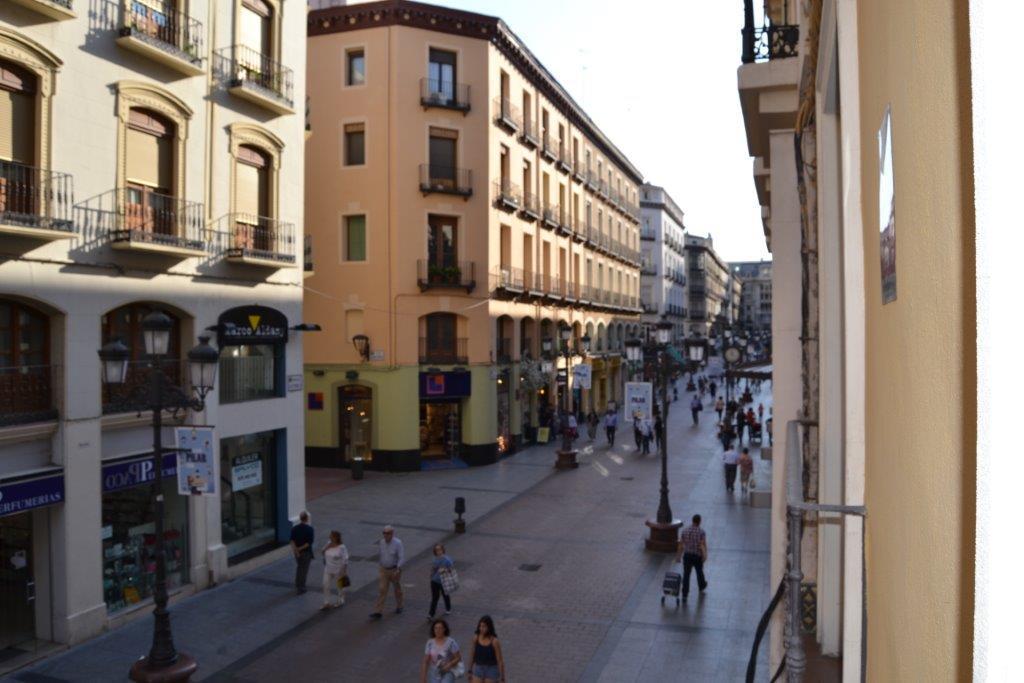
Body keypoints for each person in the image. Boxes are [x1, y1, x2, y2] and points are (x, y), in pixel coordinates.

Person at [370, 525, 405, 619]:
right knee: (382, 590)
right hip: (384, 569)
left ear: (392, 533)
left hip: (394, 569)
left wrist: (398, 568)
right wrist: (381, 565)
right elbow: (381, 554)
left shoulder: (398, 543)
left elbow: (401, 557)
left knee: (397, 589)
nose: (385, 535)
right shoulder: (381, 542)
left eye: (388, 533)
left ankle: (400, 605)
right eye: (384, 533)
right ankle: (378, 611)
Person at [674, 514, 709, 601]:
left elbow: (681, 545)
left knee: (686, 575)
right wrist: (705, 555)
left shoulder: (685, 531)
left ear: (692, 521)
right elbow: (702, 545)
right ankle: (702, 586)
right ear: (699, 521)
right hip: (697, 556)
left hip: (687, 556)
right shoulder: (701, 532)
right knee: (699, 572)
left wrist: (678, 556)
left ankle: (685, 594)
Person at [420, 619, 462, 683]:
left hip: (448, 671)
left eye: (440, 628)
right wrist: (423, 677)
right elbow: (425, 661)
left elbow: (458, 657)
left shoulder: (451, 642)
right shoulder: (430, 643)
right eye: (436, 628)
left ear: (444, 629)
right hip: (434, 672)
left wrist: (449, 664)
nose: (437, 630)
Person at [467, 615, 506, 683]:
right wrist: (469, 670)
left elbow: (500, 660)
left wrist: (502, 677)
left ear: (489, 627)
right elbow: (472, 655)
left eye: (484, 626)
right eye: (480, 626)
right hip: (478, 668)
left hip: (491, 669)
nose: (481, 628)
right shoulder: (476, 638)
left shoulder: (494, 641)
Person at [321, 530, 349, 609]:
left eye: (331, 536)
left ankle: (340, 600)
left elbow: (345, 559)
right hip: (328, 569)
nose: (329, 537)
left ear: (336, 538)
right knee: (325, 584)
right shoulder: (328, 543)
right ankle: (326, 603)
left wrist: (344, 571)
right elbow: (322, 552)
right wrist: (327, 547)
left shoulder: (342, 547)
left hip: (338, 570)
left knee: (340, 586)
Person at [289, 511, 314, 595]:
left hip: (297, 553)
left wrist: (296, 550)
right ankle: (301, 586)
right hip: (306, 553)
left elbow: (292, 540)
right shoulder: (310, 529)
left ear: (300, 518)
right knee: (303, 570)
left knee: (299, 568)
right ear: (307, 519)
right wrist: (300, 549)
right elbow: (309, 543)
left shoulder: (294, 528)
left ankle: (298, 584)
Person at [428, 543, 454, 619]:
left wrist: (445, 569)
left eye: (440, 550)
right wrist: (431, 575)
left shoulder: (447, 560)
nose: (438, 551)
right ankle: (431, 614)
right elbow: (433, 568)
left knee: (445, 595)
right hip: (434, 581)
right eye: (436, 550)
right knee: (434, 598)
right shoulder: (435, 559)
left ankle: (448, 608)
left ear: (443, 550)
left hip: (444, 580)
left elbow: (451, 569)